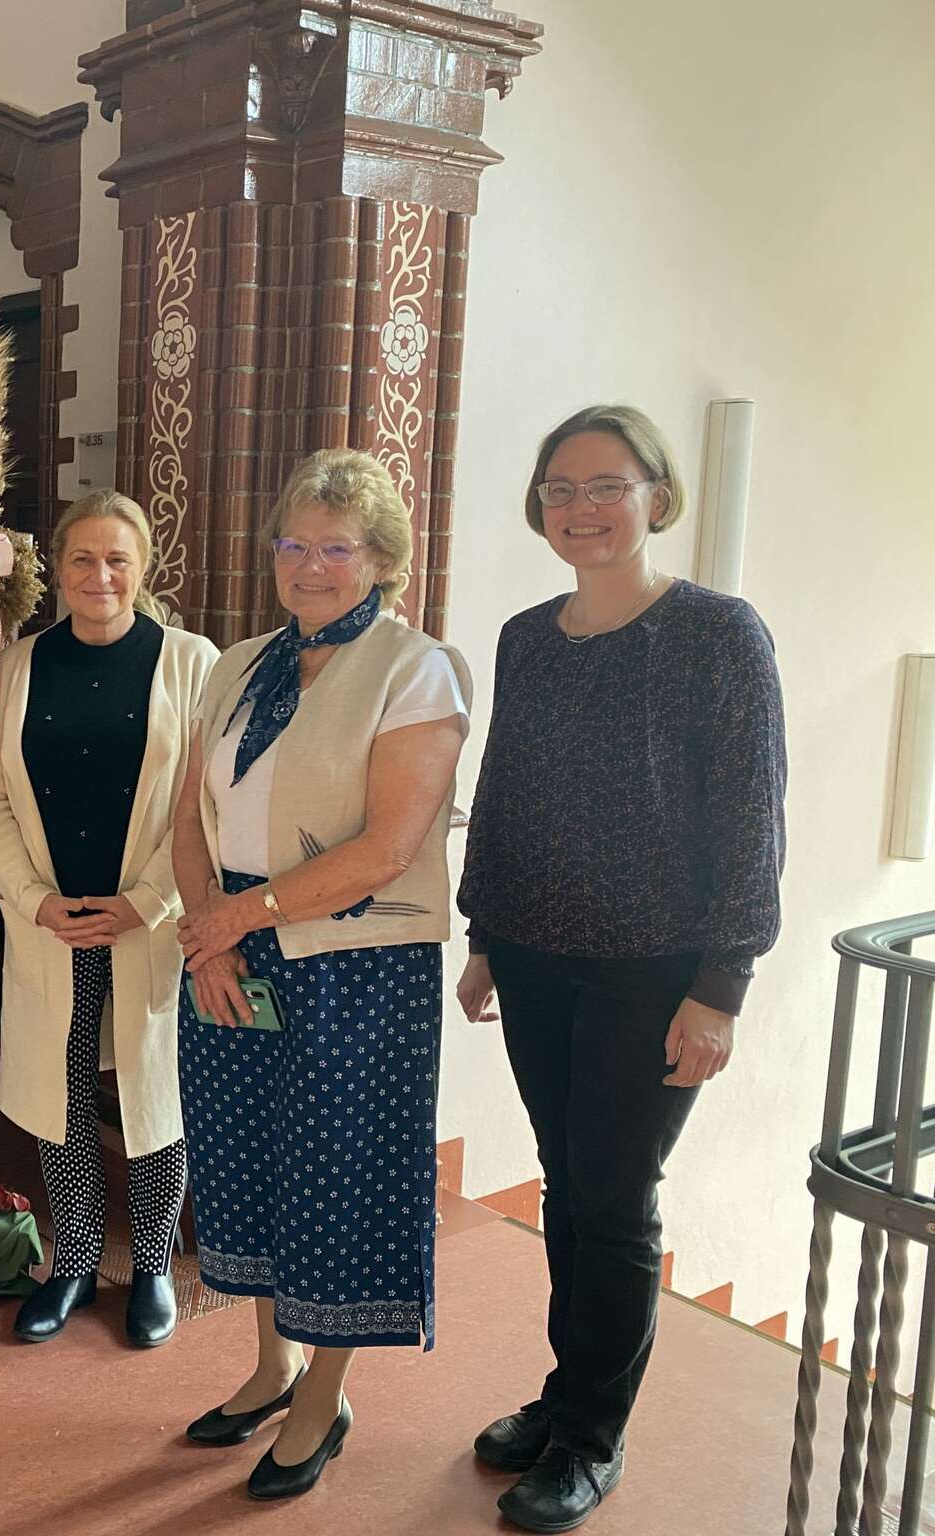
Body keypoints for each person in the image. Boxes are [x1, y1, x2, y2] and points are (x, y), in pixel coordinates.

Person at [456, 404, 786, 1533]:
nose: (579, 509)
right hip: (538, 955)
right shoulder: (525, 637)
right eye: (557, 489)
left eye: (604, 485)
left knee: (613, 1198)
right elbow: (506, 790)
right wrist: (484, 935)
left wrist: (722, 985)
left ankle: (593, 1437)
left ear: (656, 495)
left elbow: (750, 819)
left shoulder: (715, 634)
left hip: (655, 971)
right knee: (568, 1184)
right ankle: (562, 1401)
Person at [171, 448, 469, 1500]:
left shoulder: (411, 667)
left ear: (379, 559)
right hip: (230, 939)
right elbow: (184, 815)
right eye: (291, 545)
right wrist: (208, 937)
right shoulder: (238, 660)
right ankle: (270, 1363)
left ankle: (323, 1395)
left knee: (332, 1175)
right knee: (245, 1160)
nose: (308, 566)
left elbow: (387, 845)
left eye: (334, 548)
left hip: (351, 964)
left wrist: (234, 922)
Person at [0, 491, 219, 1348]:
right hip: (52, 923)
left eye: (117, 559)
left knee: (154, 1095)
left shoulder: (191, 663)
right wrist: (32, 900)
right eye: (82, 559)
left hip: (149, 923)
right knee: (60, 1094)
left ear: (144, 568)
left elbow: (207, 800)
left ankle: (150, 1265)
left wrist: (149, 900)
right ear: (58, 569)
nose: (99, 576)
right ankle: (72, 1259)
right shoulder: (19, 664)